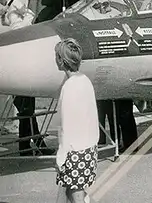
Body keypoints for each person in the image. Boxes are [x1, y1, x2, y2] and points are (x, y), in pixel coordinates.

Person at [0, 0, 54, 155]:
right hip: (18, 47)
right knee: (26, 109)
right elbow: (6, 22)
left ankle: (29, 145)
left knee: (25, 109)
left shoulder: (14, 3)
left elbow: (29, 14)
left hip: (21, 45)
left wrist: (20, 21)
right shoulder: (8, 8)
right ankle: (32, 145)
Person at [54, 38, 99, 203]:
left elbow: (66, 126)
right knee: (72, 194)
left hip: (74, 152)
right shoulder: (85, 80)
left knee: (75, 195)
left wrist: (61, 157)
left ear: (61, 61)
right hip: (88, 148)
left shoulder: (69, 87)